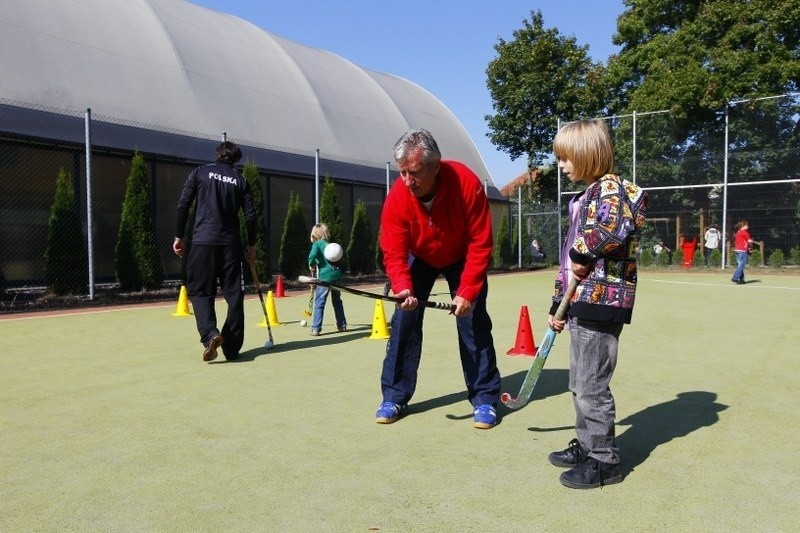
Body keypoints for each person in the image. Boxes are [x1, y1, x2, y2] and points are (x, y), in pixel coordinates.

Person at [546, 119, 648, 489]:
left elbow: (612, 231)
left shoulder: (611, 190)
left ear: (587, 154)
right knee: (579, 381)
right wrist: (559, 301)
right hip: (582, 299)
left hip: (603, 299)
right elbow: (568, 259)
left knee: (592, 384)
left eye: (566, 158)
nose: (561, 165)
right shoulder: (586, 195)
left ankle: (604, 462)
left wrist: (581, 251)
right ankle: (588, 446)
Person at [377, 129, 501, 429]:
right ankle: (394, 395)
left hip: (461, 254)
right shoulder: (398, 195)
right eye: (403, 172)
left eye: (415, 173)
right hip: (419, 256)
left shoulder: (466, 183)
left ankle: (485, 398)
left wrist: (468, 291)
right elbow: (393, 249)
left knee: (473, 323)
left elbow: (480, 242)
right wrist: (402, 286)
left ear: (436, 166)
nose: (408, 181)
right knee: (404, 323)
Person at [173, 141, 257, 362]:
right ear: (236, 160)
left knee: (200, 292)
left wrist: (179, 236)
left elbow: (183, 204)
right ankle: (232, 348)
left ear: (218, 155)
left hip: (202, 242)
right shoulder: (241, 180)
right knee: (235, 295)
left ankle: (211, 334)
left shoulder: (199, 173)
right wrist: (252, 245)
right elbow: (250, 216)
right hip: (230, 245)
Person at [307, 223, 347, 335]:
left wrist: (311, 264)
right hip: (337, 274)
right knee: (337, 300)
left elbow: (312, 256)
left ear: (314, 234)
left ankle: (316, 328)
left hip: (325, 277)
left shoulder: (316, 244)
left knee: (320, 302)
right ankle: (342, 325)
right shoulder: (329, 244)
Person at [731, 220, 753, 284]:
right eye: (746, 225)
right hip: (742, 250)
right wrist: (751, 246)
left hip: (737, 250)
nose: (747, 226)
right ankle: (735, 277)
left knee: (740, 264)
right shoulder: (745, 232)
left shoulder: (738, 232)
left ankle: (741, 279)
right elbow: (749, 241)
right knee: (741, 265)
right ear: (742, 226)